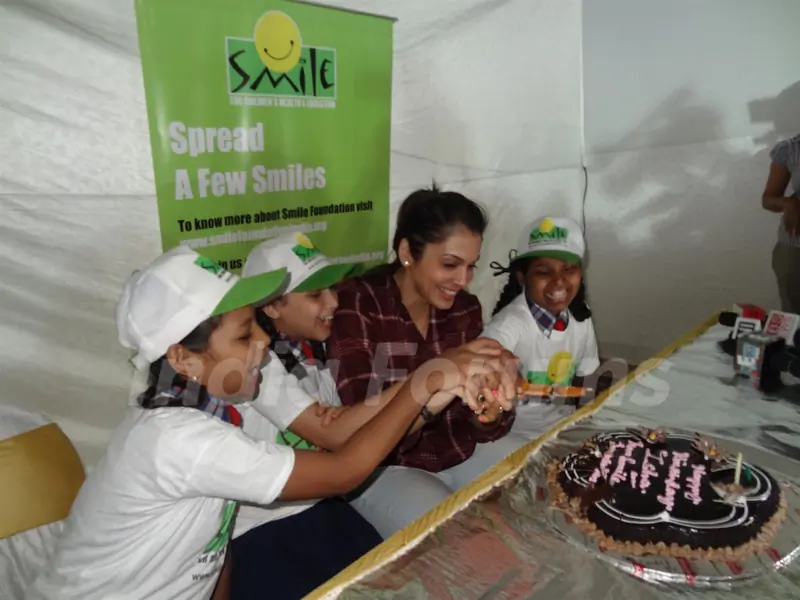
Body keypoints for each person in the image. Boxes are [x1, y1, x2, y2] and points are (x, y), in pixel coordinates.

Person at [26, 246, 514, 600]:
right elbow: (345, 467)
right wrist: (427, 380)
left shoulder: (211, 408)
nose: (264, 341)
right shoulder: (178, 439)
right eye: (244, 334)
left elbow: (213, 546)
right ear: (183, 358)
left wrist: (437, 390)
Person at [231, 232, 515, 598]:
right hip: (267, 524)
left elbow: (368, 430)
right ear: (272, 307)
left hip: (322, 505)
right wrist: (431, 376)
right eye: (316, 294)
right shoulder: (258, 363)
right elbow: (336, 436)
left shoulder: (316, 347)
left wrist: (445, 390)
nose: (334, 301)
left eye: (332, 288)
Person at [327, 186, 530, 538]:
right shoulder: (358, 304)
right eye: (450, 265)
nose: (464, 280)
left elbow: (478, 421)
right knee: (456, 539)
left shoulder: (465, 309)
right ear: (407, 252)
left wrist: (490, 411)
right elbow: (366, 431)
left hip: (455, 448)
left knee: (533, 486)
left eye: (471, 266)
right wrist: (438, 375)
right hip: (383, 467)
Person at [483, 217, 600, 439]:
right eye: (544, 272)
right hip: (512, 436)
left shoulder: (580, 316)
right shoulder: (508, 325)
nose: (559, 281)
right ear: (522, 277)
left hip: (563, 427)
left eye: (569, 269)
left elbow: (588, 374)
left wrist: (585, 422)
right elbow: (483, 373)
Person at [762, 134, 800, 313]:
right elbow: (768, 200)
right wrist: (788, 203)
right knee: (794, 317)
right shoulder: (791, 149)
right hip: (795, 246)